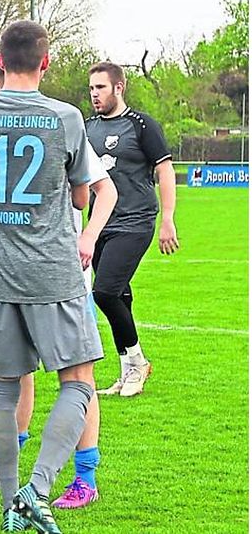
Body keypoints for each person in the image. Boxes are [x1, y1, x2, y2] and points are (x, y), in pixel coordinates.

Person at [0, 21, 104, 533]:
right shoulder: (66, 117)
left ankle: (9, 510)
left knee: (3, 390)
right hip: (52, 270)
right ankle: (36, 490)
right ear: (46, 62)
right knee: (78, 382)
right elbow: (84, 195)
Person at [86, 61, 179, 397]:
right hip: (99, 224)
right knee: (120, 294)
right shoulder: (87, 128)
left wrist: (167, 218)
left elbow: (165, 171)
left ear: (118, 87)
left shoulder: (141, 125)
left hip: (135, 220)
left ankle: (138, 362)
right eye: (92, 88)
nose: (95, 94)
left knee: (105, 292)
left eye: (101, 87)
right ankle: (127, 371)